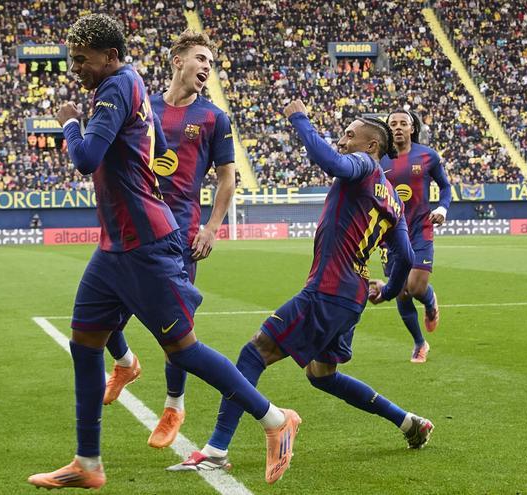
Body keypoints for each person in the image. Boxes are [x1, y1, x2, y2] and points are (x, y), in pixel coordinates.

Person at [27, 14, 300, 490]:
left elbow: (86, 158)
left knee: (184, 350)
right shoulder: (128, 88)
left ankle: (275, 419)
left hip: (146, 245)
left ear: (109, 56)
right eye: (72, 58)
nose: (75, 67)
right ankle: (87, 462)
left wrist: (70, 122)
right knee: (85, 342)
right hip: (117, 245)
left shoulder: (118, 87)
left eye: (81, 59)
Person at [168, 100, 433, 473]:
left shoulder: (363, 166)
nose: (342, 140)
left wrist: (298, 117)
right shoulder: (392, 198)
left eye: (350, 135)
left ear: (372, 145)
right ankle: (409, 423)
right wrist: (388, 290)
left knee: (254, 351)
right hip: (352, 296)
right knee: (322, 375)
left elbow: (333, 163)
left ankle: (215, 451)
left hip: (328, 289)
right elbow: (405, 255)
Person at [100, 29, 237, 450]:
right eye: (200, 58)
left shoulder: (214, 118)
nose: (207, 67)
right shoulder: (144, 106)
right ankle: (125, 363)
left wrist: (212, 227)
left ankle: (174, 405)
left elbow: (227, 177)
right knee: (99, 314)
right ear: (177, 61)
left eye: (211, 63)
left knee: (175, 333)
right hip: (132, 226)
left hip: (179, 236)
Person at [382, 109, 452, 363]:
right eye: (393, 124)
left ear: (412, 128)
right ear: (387, 130)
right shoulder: (378, 159)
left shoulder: (427, 156)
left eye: (404, 123)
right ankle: (420, 343)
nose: (398, 127)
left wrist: (442, 208)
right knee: (401, 291)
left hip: (420, 228)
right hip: (389, 234)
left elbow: (445, 186)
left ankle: (430, 300)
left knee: (416, 287)